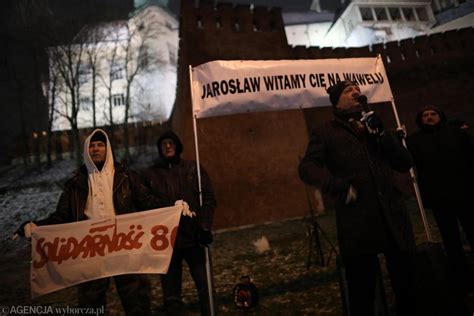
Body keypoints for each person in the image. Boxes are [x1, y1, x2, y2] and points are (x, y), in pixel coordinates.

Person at [17, 129, 188, 315]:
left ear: (108, 149)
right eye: (91, 145)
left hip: (125, 247)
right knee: (91, 304)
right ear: (85, 150)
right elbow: (61, 216)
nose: (95, 149)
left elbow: (148, 201)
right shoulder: (75, 184)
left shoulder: (126, 177)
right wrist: (36, 227)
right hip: (90, 251)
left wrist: (172, 206)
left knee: (136, 301)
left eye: (100, 145)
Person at [299, 81, 416, 316]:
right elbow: (308, 168)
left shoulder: (374, 123)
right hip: (357, 217)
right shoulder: (326, 131)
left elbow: (404, 163)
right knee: (362, 287)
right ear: (336, 100)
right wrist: (338, 186)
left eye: (357, 89)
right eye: (347, 90)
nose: (355, 92)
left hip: (392, 213)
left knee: (407, 283)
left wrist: (383, 135)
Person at [142, 130, 216, 315]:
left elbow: (208, 199)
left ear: (178, 146)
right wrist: (171, 207)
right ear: (159, 148)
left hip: (194, 238)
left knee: (205, 288)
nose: (168, 146)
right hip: (167, 242)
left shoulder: (192, 168)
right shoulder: (151, 175)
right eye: (164, 144)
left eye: (171, 143)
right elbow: (146, 203)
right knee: (171, 296)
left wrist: (204, 226)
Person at [407, 105, 474, 292]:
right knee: (450, 240)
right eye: (425, 115)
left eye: (433, 114)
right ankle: (463, 279)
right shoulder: (414, 141)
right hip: (440, 198)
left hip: (465, 193)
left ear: (440, 116)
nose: (429, 117)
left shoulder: (456, 133)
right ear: (420, 120)